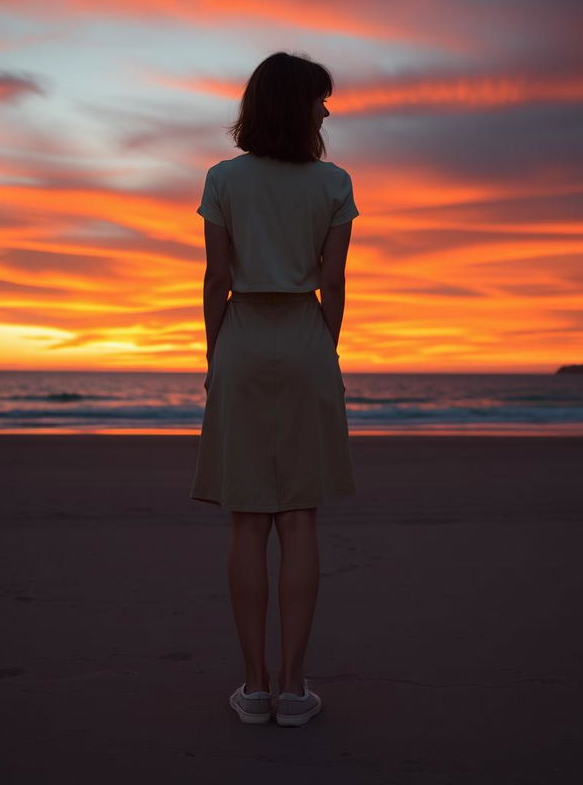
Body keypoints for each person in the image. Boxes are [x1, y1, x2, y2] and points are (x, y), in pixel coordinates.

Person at [190, 50, 359, 727]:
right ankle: (293, 689)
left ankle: (254, 686)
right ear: (297, 107)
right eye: (319, 99)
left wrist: (214, 352)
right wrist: (326, 345)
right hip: (305, 339)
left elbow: (214, 280)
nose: (326, 109)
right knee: (300, 516)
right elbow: (336, 282)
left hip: (242, 339)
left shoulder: (223, 179)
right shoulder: (334, 182)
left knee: (247, 517)